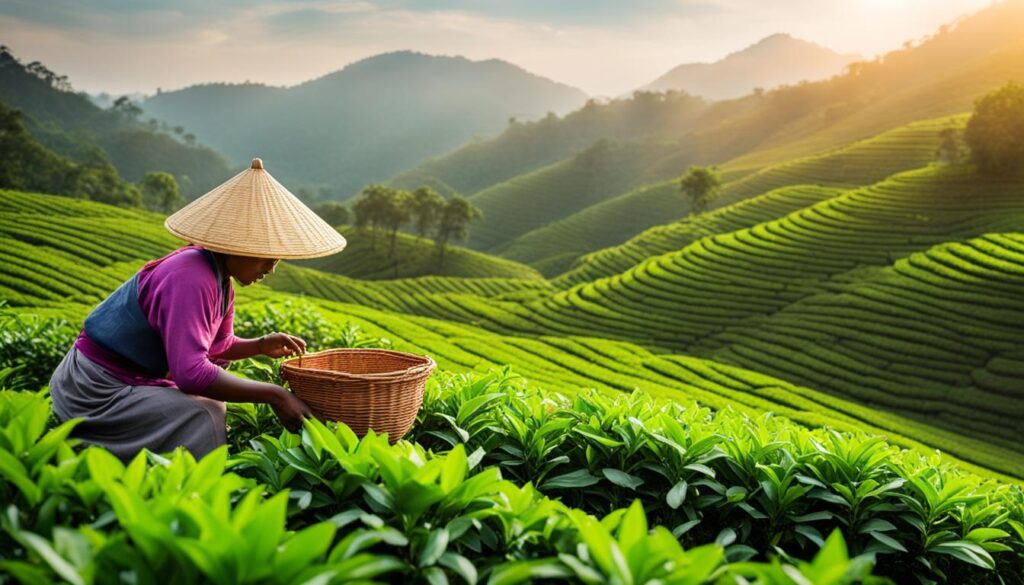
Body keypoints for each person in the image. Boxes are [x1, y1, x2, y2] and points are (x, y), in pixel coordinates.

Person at [48, 158, 347, 461]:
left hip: (120, 378)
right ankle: (195, 493)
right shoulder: (190, 275)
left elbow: (218, 344)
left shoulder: (221, 280)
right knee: (204, 412)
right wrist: (276, 395)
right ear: (235, 245)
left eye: (276, 258)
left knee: (211, 398)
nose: (271, 267)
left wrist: (260, 344)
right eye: (264, 255)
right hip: (96, 387)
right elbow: (191, 373)